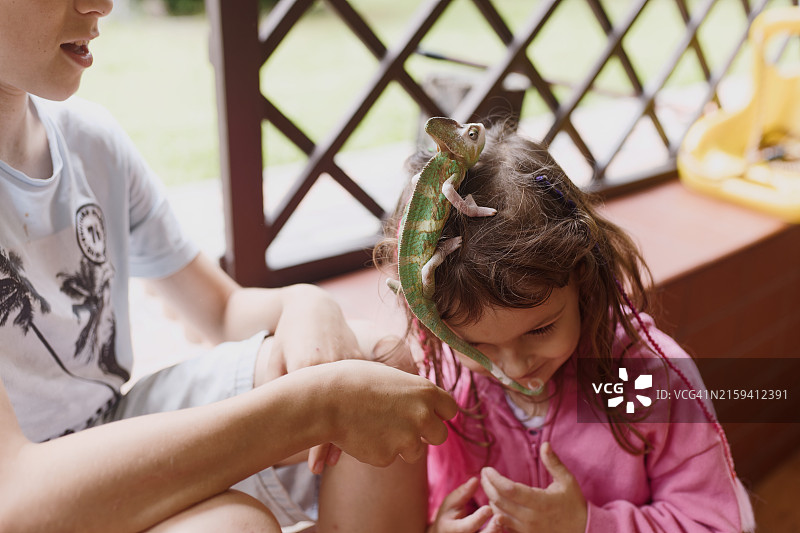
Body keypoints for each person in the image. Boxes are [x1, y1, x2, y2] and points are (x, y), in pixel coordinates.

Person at [0, 1, 458, 531]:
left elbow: (218, 309)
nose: (101, 3)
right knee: (234, 526)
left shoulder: (89, 140)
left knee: (375, 366)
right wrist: (313, 408)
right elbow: (12, 499)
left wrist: (299, 302)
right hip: (26, 484)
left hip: (108, 421)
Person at [376, 121, 756, 532]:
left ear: (583, 276)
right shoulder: (443, 379)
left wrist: (586, 524)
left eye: (539, 330)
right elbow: (441, 494)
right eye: (474, 346)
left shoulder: (646, 380)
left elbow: (716, 523)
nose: (516, 367)